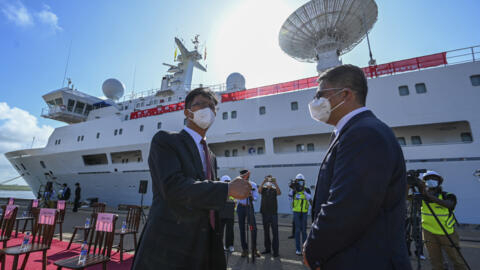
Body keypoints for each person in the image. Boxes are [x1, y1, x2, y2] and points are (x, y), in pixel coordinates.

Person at [303, 64, 411, 270]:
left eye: (320, 95)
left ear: (345, 94)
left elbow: (347, 206)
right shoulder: (355, 131)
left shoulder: (364, 134)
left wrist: (313, 250)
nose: (315, 103)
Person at [132, 87, 252, 270]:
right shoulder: (165, 140)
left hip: (204, 245)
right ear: (187, 112)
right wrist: (227, 189)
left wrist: (233, 190)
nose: (208, 110)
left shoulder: (211, 155)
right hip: (169, 246)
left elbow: (205, 194)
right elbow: (173, 188)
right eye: (201, 105)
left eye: (212, 107)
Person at [420, 171, 467, 270]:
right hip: (428, 232)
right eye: (427, 179)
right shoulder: (421, 197)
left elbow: (449, 204)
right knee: (435, 261)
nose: (430, 181)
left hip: (447, 233)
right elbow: (405, 197)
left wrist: (430, 196)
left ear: (439, 182)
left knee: (456, 259)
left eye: (433, 179)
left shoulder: (448, 195)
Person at [236, 169, 261, 258]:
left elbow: (256, 197)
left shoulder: (253, 184)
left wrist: (251, 196)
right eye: (242, 176)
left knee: (253, 228)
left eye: (245, 176)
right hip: (240, 208)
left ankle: (254, 249)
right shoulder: (238, 185)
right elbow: (235, 196)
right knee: (242, 228)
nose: (243, 178)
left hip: (249, 207)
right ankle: (244, 249)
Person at [258, 175, 281, 257]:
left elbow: (279, 193)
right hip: (265, 213)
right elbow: (259, 191)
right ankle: (267, 249)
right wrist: (263, 182)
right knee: (266, 232)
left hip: (273, 213)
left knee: (275, 232)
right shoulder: (263, 189)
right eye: (268, 179)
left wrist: (275, 183)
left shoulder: (274, 189)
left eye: (270, 180)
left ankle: (276, 251)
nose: (269, 181)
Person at [289, 173, 311, 255]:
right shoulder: (293, 191)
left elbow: (310, 199)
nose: (300, 183)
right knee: (297, 231)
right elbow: (290, 198)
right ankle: (298, 249)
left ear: (304, 182)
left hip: (304, 212)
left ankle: (304, 248)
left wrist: (303, 191)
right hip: (296, 213)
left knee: (304, 231)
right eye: (298, 181)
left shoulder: (307, 189)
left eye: (302, 181)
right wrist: (294, 189)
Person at [219, 175, 236, 253]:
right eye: (226, 182)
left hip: (230, 213)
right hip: (221, 213)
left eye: (229, 182)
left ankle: (230, 245)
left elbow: (235, 200)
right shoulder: (219, 189)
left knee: (230, 231)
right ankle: (220, 245)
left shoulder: (233, 190)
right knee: (220, 231)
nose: (227, 183)